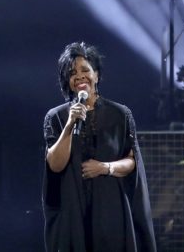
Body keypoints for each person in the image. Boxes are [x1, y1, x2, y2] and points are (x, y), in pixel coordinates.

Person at [42, 42, 156, 251]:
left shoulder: (120, 114)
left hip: (110, 209)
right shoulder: (56, 117)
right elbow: (55, 166)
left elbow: (132, 162)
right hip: (73, 212)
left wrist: (105, 167)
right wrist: (69, 125)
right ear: (67, 81)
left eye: (85, 70)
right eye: (72, 73)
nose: (80, 76)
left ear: (96, 75)